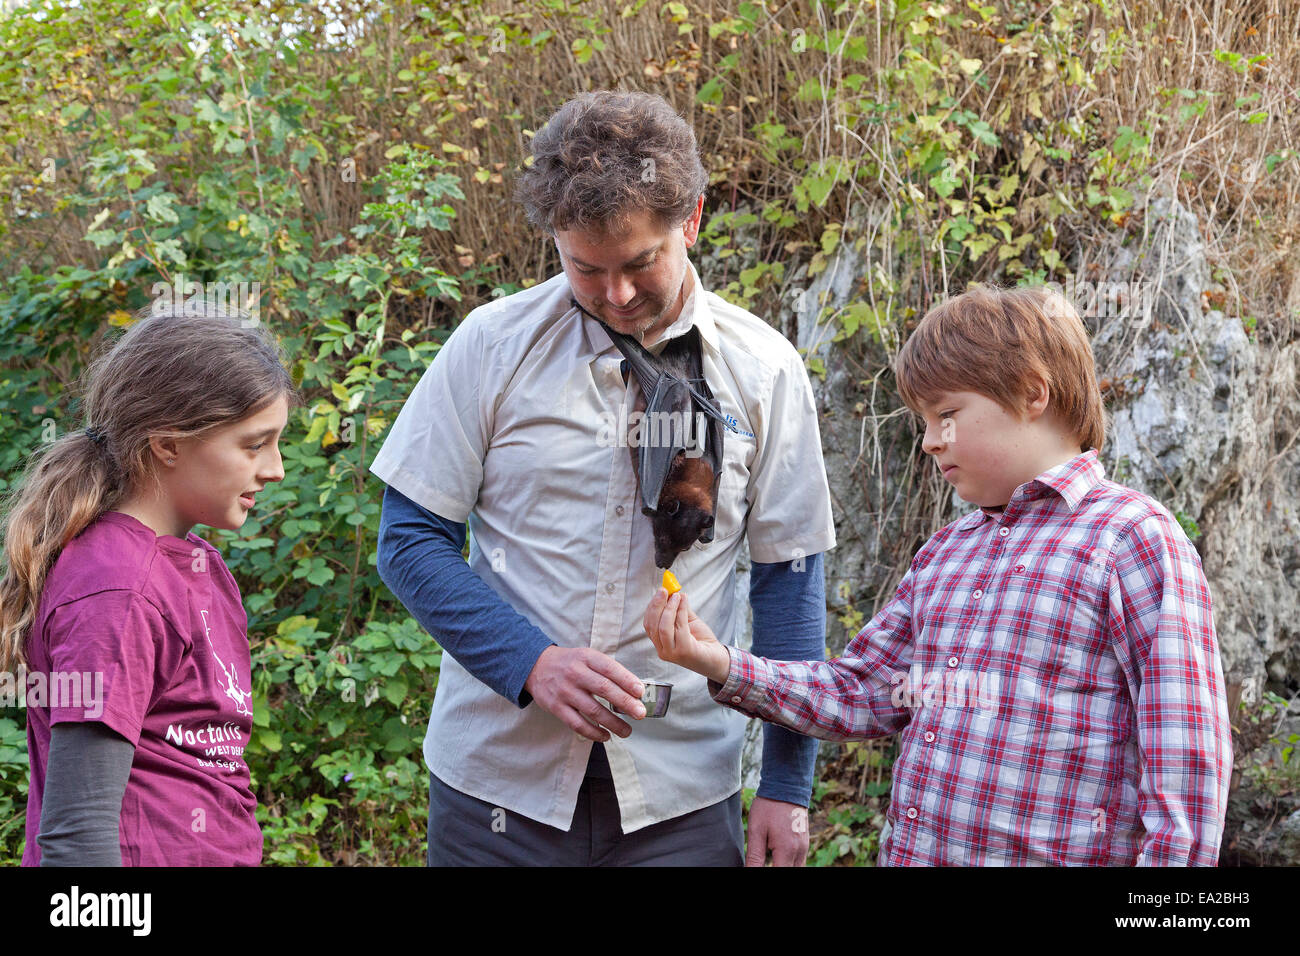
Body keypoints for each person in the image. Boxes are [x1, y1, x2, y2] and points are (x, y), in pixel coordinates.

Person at [371, 90, 837, 865]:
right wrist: (530, 663)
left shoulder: (765, 371)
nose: (615, 296)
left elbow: (789, 581)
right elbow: (411, 540)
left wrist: (788, 786)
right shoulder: (491, 345)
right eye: (585, 268)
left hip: (682, 790)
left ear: (690, 220)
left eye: (639, 263)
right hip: (496, 785)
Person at [645, 284, 1233, 866]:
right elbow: (859, 692)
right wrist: (717, 661)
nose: (929, 442)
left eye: (946, 415)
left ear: (1033, 393)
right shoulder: (945, 554)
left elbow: (1185, 768)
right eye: (924, 422)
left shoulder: (1132, 540)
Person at [0, 307, 295, 866]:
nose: (276, 468)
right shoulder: (118, 590)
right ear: (168, 445)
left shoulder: (195, 566)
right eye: (254, 445)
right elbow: (77, 835)